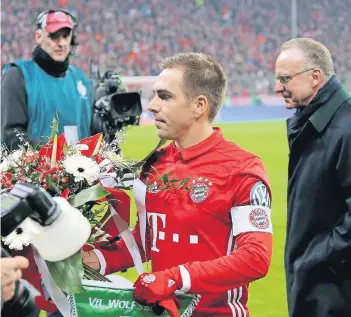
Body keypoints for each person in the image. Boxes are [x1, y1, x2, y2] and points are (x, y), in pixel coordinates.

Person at [83, 52, 273, 316]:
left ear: (199, 106)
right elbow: (148, 239)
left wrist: (175, 277)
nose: (152, 106)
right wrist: (94, 261)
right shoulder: (154, 164)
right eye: (155, 95)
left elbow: (255, 258)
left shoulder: (242, 169)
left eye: (165, 96)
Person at [275, 38, 351, 317]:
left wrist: (317, 259)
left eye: (285, 78)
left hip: (334, 292)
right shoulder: (316, 122)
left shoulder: (344, 126)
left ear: (315, 77)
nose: (277, 87)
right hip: (319, 286)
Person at [1, 9, 93, 149]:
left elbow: (94, 133)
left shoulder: (81, 80)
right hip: (35, 170)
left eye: (65, 36)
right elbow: (11, 136)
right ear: (38, 37)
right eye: (54, 36)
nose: (61, 43)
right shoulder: (18, 76)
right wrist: (56, 155)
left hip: (81, 168)